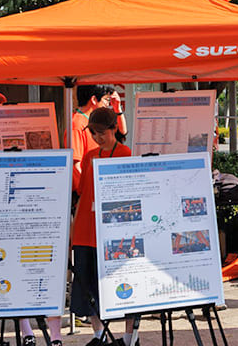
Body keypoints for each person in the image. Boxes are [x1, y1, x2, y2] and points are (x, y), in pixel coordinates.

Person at [70, 108, 138, 346]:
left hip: (113, 231)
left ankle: (130, 337)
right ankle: (98, 334)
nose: (97, 137)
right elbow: (82, 194)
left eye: (101, 132)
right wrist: (73, 228)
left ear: (113, 129)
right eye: (94, 133)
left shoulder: (125, 153)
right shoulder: (89, 156)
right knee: (85, 285)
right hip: (85, 229)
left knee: (124, 285)